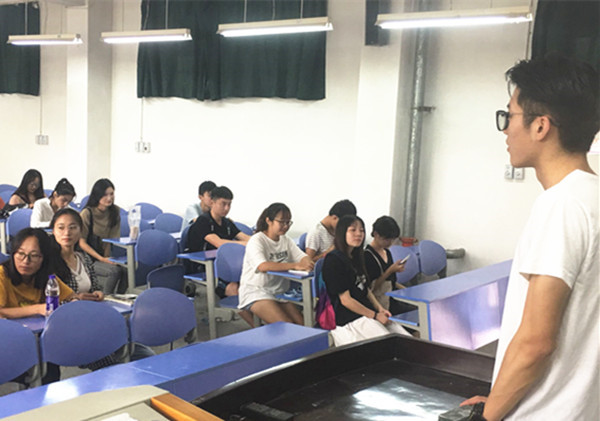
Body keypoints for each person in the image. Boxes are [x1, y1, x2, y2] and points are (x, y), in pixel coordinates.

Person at [460, 55, 599, 421]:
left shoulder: (561, 205)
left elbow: (536, 342)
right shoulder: (593, 197)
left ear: (540, 126)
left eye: (509, 116)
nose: (505, 130)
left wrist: (488, 415)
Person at [0, 228, 77, 384]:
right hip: (7, 342)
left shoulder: (48, 278)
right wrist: (37, 309)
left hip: (38, 340)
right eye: (20, 254)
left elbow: (70, 297)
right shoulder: (2, 274)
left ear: (44, 258)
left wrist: (75, 301)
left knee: (50, 363)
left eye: (34, 256)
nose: (25, 261)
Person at [322, 215, 410, 347]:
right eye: (353, 230)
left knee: (405, 340)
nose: (358, 234)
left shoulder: (356, 256)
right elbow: (346, 300)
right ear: (342, 233)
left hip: (366, 313)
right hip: (348, 319)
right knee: (389, 346)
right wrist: (374, 315)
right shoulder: (334, 260)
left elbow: (366, 289)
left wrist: (380, 309)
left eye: (361, 230)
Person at [238, 203, 314, 324]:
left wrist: (307, 262)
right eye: (282, 222)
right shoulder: (257, 240)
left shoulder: (285, 240)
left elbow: (303, 257)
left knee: (303, 326)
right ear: (269, 220)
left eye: (288, 222)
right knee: (287, 326)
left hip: (279, 292)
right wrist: (295, 265)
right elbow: (262, 266)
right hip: (256, 291)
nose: (286, 226)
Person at [79, 179, 127, 294]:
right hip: (86, 257)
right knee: (114, 271)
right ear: (97, 195)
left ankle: (119, 298)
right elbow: (81, 242)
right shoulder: (87, 213)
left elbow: (109, 241)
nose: (109, 198)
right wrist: (101, 259)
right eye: (105, 195)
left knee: (126, 271)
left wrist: (107, 259)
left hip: (101, 255)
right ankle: (105, 298)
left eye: (112, 194)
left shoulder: (115, 212)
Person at [50, 208, 104, 301]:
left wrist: (98, 293)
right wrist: (75, 299)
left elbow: (95, 287)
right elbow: (48, 300)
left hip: (87, 307)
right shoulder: (48, 261)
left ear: (81, 231)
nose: (67, 233)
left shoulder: (84, 258)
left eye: (72, 228)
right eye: (61, 228)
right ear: (53, 231)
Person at [364, 216, 407, 311]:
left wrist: (407, 290)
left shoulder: (387, 252)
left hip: (392, 298)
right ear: (376, 234)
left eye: (392, 239)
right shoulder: (367, 256)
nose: (390, 243)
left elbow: (392, 282)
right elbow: (370, 288)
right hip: (379, 304)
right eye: (387, 239)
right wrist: (390, 270)